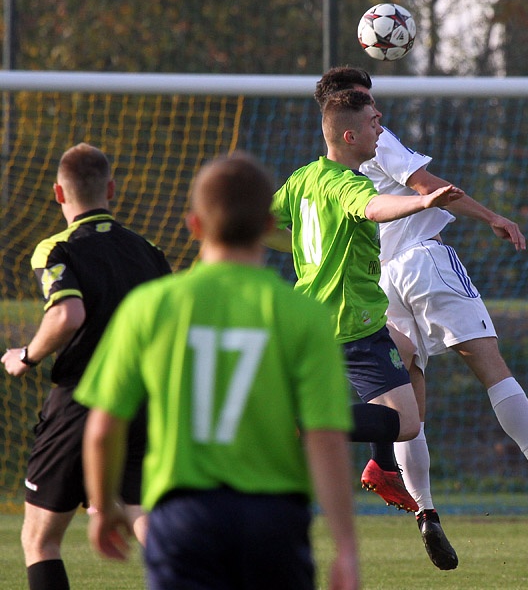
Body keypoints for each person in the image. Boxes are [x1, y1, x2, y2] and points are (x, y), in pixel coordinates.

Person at [314, 67, 528, 570]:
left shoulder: (321, 172)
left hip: (379, 284)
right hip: (423, 261)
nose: (380, 116)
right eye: (371, 105)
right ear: (352, 112)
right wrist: (494, 217)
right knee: (489, 364)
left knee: (407, 399)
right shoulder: (379, 140)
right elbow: (428, 184)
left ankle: (426, 511)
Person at [74, 152, 360, 590]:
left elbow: (102, 428)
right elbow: (325, 438)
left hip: (184, 516)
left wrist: (103, 505)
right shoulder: (304, 316)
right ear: (269, 226)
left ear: (194, 226)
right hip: (273, 520)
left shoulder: (151, 306)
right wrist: (345, 548)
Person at [267, 89, 464, 519]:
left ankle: (383, 466)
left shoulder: (303, 178)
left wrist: (299, 244)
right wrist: (423, 201)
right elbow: (374, 208)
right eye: (374, 122)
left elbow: (264, 224)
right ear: (351, 135)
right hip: (351, 320)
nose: (381, 127)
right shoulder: (349, 184)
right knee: (407, 424)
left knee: (408, 350)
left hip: (314, 314)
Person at [1, 143, 172, 590]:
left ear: (59, 192)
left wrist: (27, 356)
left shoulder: (55, 249)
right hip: (140, 402)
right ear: (111, 189)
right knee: (150, 529)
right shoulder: (148, 251)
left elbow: (66, 314)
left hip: (80, 402)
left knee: (40, 540)